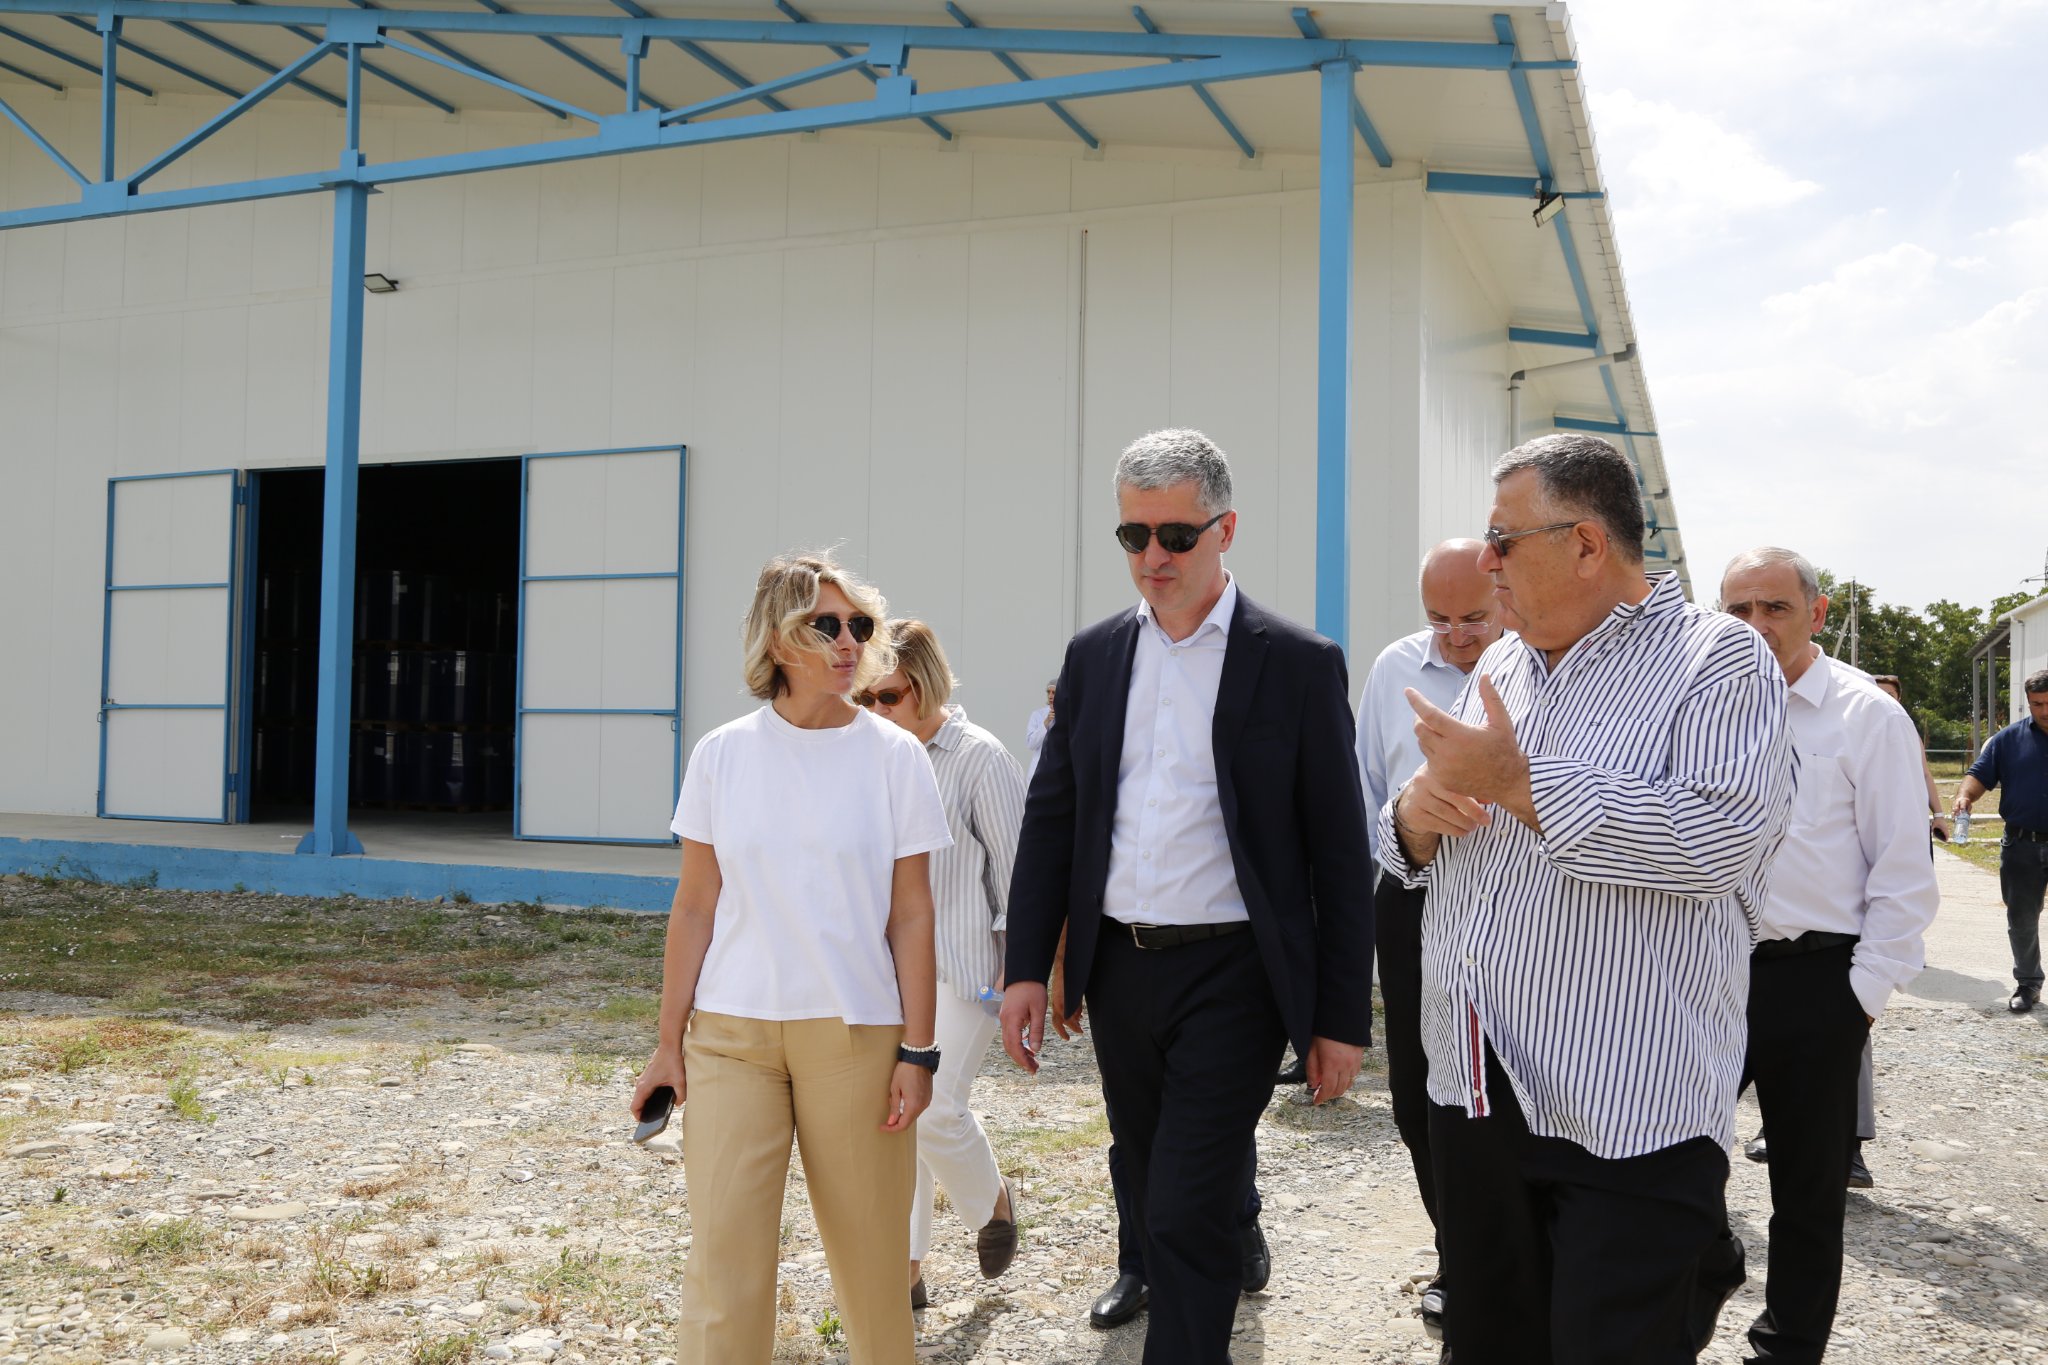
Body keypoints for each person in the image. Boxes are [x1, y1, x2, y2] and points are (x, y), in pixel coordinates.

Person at [1379, 433, 1795, 1365]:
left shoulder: (1717, 659)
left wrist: (1520, 784)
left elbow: (1716, 839)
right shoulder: (1505, 666)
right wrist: (1411, 818)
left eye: (1503, 539)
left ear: (1586, 544)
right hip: (1478, 1087)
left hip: (1627, 1104)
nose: (1487, 561)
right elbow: (1423, 833)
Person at [1000, 428, 1375, 1365]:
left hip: (1236, 974)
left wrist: (1340, 1019)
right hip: (1121, 971)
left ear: (1225, 529)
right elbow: (1054, 818)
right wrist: (1026, 969)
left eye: (1175, 535)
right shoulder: (1094, 656)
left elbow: (1340, 853)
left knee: (1186, 1202)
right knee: (1144, 1172)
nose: (1153, 557)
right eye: (1134, 536)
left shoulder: (1296, 662)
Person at [629, 553, 953, 1365]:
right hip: (731, 1036)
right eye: (826, 625)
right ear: (778, 639)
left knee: (874, 1270)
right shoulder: (722, 753)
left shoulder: (895, 757)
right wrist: (667, 1042)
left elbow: (912, 912)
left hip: (856, 1038)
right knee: (724, 1265)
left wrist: (919, 1050)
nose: (850, 642)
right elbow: (695, 905)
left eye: (860, 625)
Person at [1695, 547, 1939, 1364]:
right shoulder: (1702, 707)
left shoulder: (1866, 716)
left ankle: (1787, 1347)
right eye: (1738, 610)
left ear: (1817, 613)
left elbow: (1904, 871)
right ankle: (1703, 1280)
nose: (1755, 625)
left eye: (1775, 608)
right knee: (1667, 1159)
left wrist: (1859, 997)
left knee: (1805, 1189)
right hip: (1705, 973)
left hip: (1815, 980)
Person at [1354, 536, 1506, 1343]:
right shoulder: (1394, 670)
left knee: (1504, 1082)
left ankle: (1509, 1256)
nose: (1456, 637)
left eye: (1473, 618)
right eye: (1439, 620)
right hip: (1410, 897)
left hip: (1508, 907)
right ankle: (1457, 1250)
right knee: (1418, 1094)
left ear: (1504, 592)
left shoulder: (1537, 669)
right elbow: (1365, 790)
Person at [858, 619, 1025, 1308]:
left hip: (967, 970)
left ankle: (992, 1203)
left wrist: (1021, 974)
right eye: (864, 697)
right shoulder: (870, 758)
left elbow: (1019, 876)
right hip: (886, 972)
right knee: (895, 1114)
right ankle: (905, 1269)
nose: (875, 710)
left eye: (888, 696)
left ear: (926, 684)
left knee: (933, 1111)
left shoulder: (981, 758)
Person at [1954, 668, 2048, 1013]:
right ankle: (2028, 983)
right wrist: (1965, 797)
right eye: (2037, 704)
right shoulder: (2008, 740)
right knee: (2021, 918)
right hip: (2022, 845)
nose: (2044, 711)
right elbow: (1979, 775)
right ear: (2028, 703)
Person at [1025, 679, 1056, 783]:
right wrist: (1046, 723)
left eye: (1054, 693)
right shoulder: (1037, 715)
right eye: (1048, 692)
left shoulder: (1067, 716)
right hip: (1038, 772)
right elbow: (1031, 744)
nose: (1050, 696)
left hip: (1057, 773)